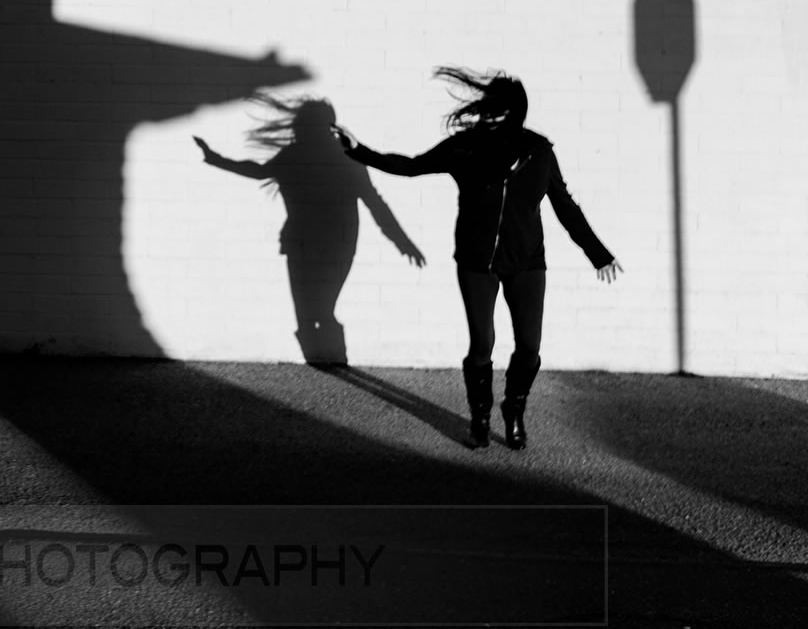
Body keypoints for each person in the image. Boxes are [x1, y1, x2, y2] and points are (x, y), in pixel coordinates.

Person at [333, 68, 623, 449]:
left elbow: (565, 206)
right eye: (488, 107)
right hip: (476, 262)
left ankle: (514, 409)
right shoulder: (464, 149)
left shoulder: (538, 153)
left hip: (527, 263)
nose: (489, 115)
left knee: (529, 347)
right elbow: (412, 166)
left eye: (498, 109)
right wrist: (358, 151)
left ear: (514, 112)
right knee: (482, 343)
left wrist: (598, 253)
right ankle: (480, 417)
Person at [195, 95, 425, 367]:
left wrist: (216, 159)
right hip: (331, 243)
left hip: (310, 242)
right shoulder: (339, 156)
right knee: (317, 309)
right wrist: (403, 243)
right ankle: (329, 361)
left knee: (313, 309)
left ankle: (327, 360)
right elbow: (375, 203)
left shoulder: (312, 155)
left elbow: (259, 172)